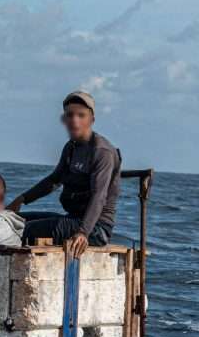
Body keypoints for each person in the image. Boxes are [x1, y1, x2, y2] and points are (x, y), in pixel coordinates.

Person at [7, 91, 121, 258]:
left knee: (23, 231)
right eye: (70, 115)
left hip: (95, 229)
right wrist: (21, 199)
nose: (75, 120)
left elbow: (99, 196)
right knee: (12, 221)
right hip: (73, 219)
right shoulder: (71, 147)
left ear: (92, 120)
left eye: (81, 115)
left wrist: (83, 232)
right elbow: (54, 180)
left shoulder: (101, 151)